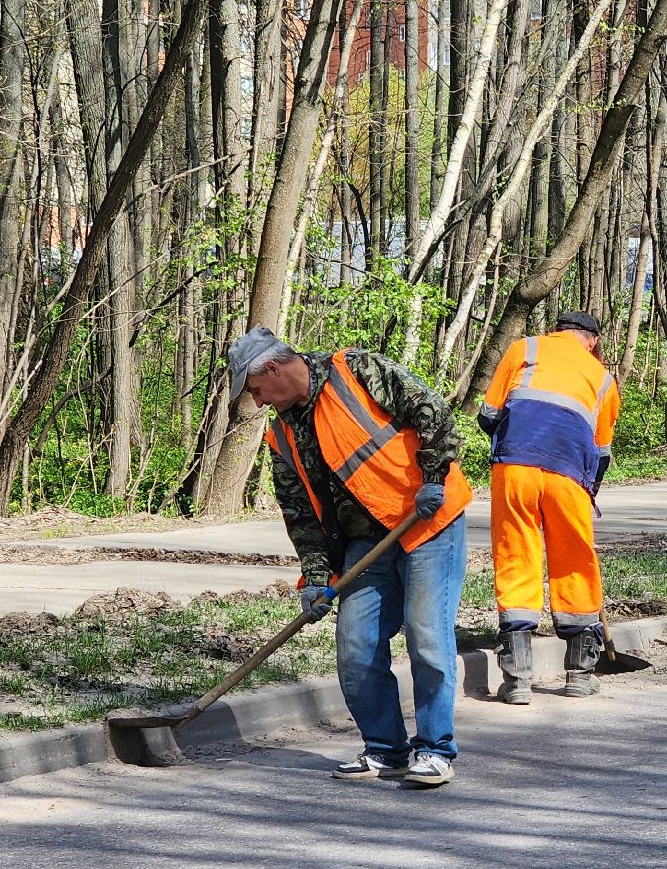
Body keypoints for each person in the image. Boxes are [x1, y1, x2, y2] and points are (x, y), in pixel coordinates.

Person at [229, 327, 473, 786]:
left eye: (257, 391)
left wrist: (434, 477)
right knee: (357, 647)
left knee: (426, 637)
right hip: (366, 542)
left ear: (274, 368)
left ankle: (436, 751)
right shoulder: (282, 435)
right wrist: (317, 577)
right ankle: (386, 750)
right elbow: (300, 513)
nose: (258, 403)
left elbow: (433, 411)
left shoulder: (356, 370)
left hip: (426, 522)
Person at [478, 312, 622, 703]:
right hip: (569, 477)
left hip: (515, 469)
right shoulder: (604, 379)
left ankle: (517, 680)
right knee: (574, 559)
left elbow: (487, 416)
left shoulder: (526, 348)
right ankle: (578, 673)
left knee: (516, 555)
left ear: (559, 332)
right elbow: (602, 453)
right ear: (591, 341)